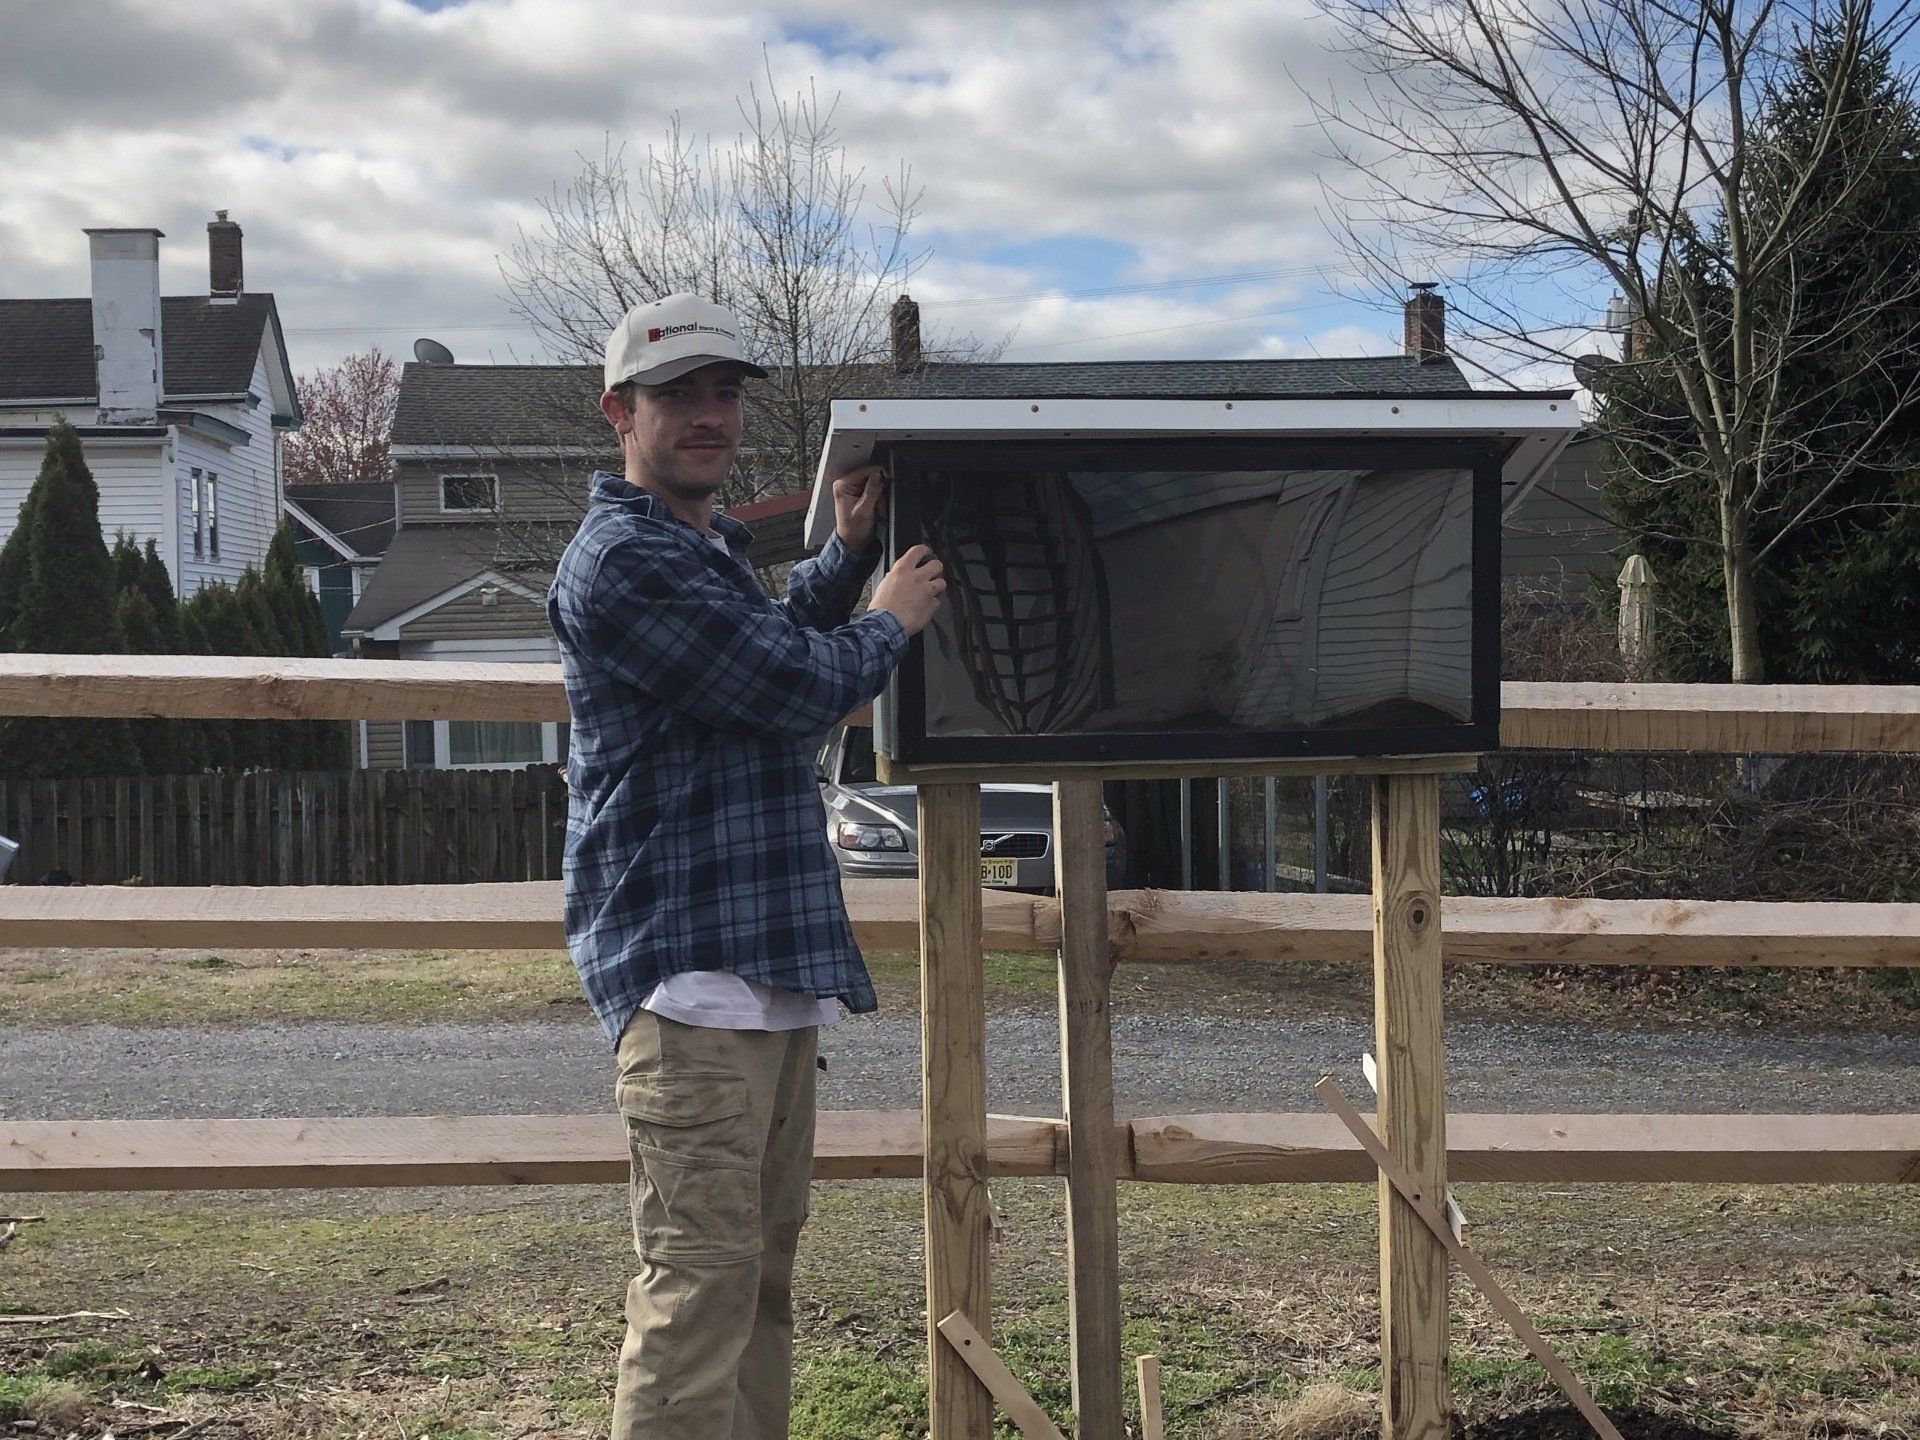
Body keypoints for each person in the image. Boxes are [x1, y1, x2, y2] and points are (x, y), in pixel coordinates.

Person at [545, 292, 946, 1440]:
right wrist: (890, 616)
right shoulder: (619, 560)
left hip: (758, 977)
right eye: (680, 395)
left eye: (724, 393)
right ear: (621, 411)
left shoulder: (699, 548)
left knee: (758, 1279)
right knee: (698, 1288)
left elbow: (763, 635)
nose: (710, 416)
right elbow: (790, 688)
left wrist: (847, 553)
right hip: (689, 980)